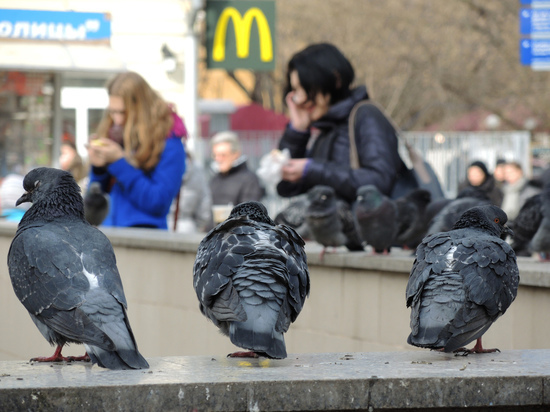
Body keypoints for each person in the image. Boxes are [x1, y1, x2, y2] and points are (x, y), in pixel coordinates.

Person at [276, 43, 407, 204]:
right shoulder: (327, 129)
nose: (300, 99)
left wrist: (313, 170)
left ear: (335, 79)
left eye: (306, 88)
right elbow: (287, 188)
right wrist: (297, 131)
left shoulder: (367, 115)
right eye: (295, 91)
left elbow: (379, 182)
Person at [86, 71, 186, 229]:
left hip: (144, 240)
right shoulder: (115, 134)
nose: (117, 120)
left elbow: (158, 202)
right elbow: (93, 206)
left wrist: (119, 162)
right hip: (108, 235)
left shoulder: (170, 142)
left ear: (141, 109)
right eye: (112, 111)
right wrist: (99, 169)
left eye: (123, 112)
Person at [209, 131, 265, 206]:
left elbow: (248, 211)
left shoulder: (250, 180)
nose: (218, 159)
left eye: (223, 155)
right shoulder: (214, 179)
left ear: (235, 154)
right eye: (215, 155)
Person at [170, 151, 213, 233]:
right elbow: (204, 204)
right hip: (188, 228)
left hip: (162, 227)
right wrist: (198, 226)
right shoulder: (198, 171)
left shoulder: (163, 167)